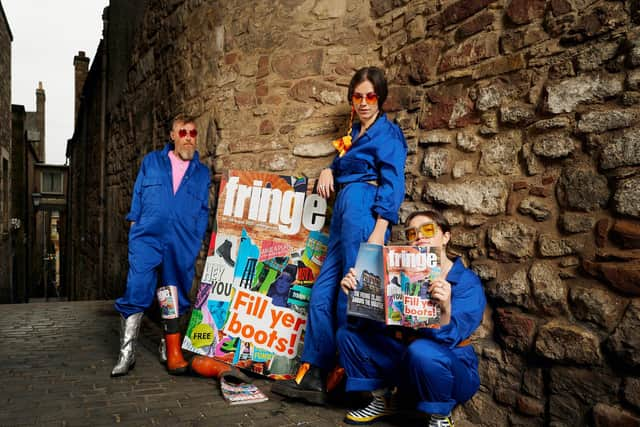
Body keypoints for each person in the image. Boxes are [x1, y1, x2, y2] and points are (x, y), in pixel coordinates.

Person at [272, 67, 407, 404]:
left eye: (370, 96)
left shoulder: (388, 135)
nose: (363, 102)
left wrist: (378, 233)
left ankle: (353, 383)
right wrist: (328, 168)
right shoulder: (354, 133)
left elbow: (393, 186)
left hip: (364, 213)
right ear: (351, 99)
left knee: (354, 297)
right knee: (321, 294)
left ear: (380, 98)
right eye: (358, 96)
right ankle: (315, 372)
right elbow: (341, 164)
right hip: (342, 217)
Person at [337, 210, 486, 426]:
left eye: (427, 230)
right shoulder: (398, 274)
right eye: (412, 233)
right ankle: (387, 400)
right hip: (405, 361)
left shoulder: (466, 282)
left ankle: (439, 414)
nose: (419, 237)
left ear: (445, 237)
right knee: (348, 334)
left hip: (451, 371)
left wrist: (444, 308)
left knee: (422, 350)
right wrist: (356, 297)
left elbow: (450, 339)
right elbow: (371, 326)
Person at [111, 114, 211, 377]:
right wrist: (134, 225)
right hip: (147, 237)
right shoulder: (152, 162)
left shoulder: (202, 173)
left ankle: (169, 347)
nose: (188, 137)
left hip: (181, 241)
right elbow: (138, 195)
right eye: (183, 133)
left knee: (173, 293)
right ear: (172, 136)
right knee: (137, 287)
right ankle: (126, 352)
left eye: (192, 133)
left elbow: (203, 210)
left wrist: (195, 237)